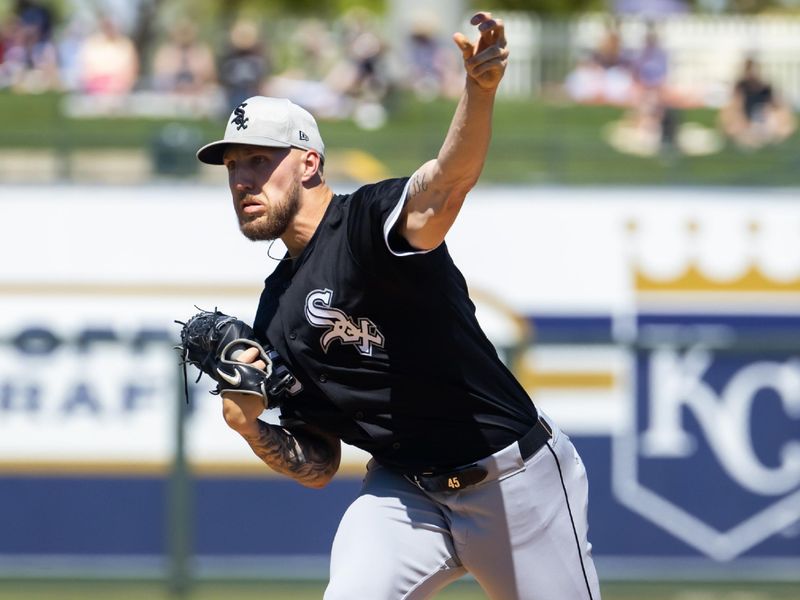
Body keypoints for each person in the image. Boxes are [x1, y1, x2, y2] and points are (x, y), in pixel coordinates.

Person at [195, 11, 600, 600]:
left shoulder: (365, 223)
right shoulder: (276, 311)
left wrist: (477, 92)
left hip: (513, 480)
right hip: (404, 494)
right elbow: (318, 462)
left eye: (260, 159)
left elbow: (445, 185)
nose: (242, 180)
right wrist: (251, 426)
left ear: (309, 162)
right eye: (233, 167)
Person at [718, 56, 796, 149]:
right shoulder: (741, 87)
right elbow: (734, 106)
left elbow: (777, 104)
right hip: (745, 123)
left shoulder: (766, 87)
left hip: (764, 121)